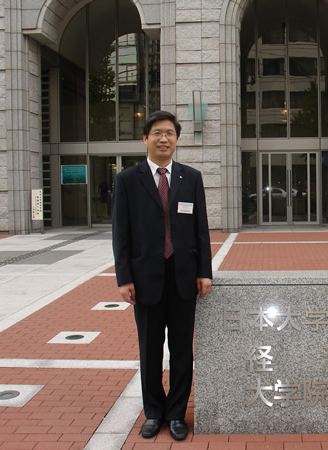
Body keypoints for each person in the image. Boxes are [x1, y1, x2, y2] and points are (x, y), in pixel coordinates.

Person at [111, 110, 212, 441]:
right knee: (150, 350)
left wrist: (204, 272)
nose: (164, 138)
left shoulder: (191, 178)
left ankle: (177, 413)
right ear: (145, 139)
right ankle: (154, 412)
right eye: (157, 133)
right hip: (145, 281)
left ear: (177, 139)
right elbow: (120, 234)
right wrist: (124, 278)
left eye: (169, 133)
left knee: (182, 351)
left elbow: (200, 230)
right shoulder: (128, 180)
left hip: (183, 278)